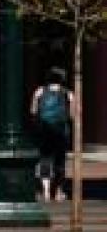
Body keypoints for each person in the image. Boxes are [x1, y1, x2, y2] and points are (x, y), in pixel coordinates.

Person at [30, 67, 75, 202]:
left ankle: (46, 191)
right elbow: (73, 115)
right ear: (62, 79)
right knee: (60, 161)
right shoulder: (68, 93)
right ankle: (59, 191)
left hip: (44, 131)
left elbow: (33, 111)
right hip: (61, 131)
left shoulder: (39, 91)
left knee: (44, 159)